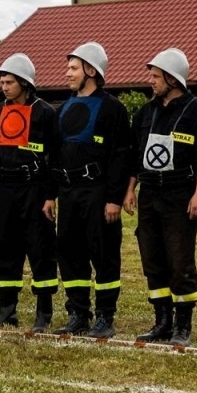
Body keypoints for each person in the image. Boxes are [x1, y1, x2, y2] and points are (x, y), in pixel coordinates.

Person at [123, 48, 197, 347]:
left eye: (155, 76)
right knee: (152, 258)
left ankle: (183, 324)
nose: (150, 80)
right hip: (150, 192)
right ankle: (162, 321)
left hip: (180, 193)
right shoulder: (145, 113)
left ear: (172, 78)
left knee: (179, 259)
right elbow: (135, 156)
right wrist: (130, 189)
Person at [54, 42, 132, 338]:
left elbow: (120, 157)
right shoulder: (64, 108)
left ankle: (105, 317)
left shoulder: (113, 109)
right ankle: (77, 313)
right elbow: (54, 152)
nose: (68, 73)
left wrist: (113, 198)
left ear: (91, 70)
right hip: (68, 192)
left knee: (103, 254)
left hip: (98, 192)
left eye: (73, 68)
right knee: (70, 252)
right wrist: (53, 194)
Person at [0, 53, 60, 332]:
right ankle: (7, 309)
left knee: (40, 248)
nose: (4, 87)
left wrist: (51, 195)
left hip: (35, 188)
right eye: (2, 82)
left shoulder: (45, 113)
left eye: (10, 82)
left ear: (25, 83)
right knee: (4, 246)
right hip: (5, 189)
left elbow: (55, 156)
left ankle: (44, 312)